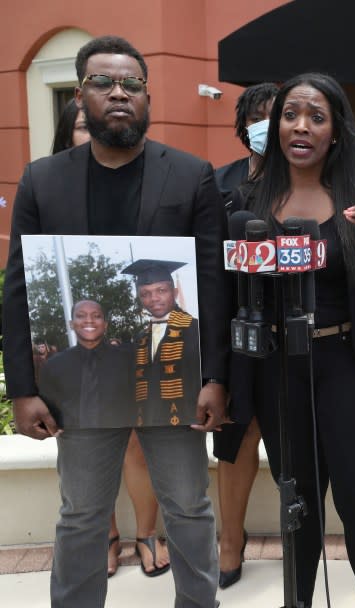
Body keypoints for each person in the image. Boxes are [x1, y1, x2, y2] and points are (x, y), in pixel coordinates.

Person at [2, 35, 229, 607]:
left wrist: (216, 377)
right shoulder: (42, 180)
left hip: (172, 381)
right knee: (81, 513)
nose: (119, 93)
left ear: (147, 97)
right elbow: (19, 289)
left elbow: (212, 282)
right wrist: (23, 390)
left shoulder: (190, 175)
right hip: (82, 388)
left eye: (131, 83)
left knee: (189, 506)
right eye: (103, 82)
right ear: (81, 96)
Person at [227, 73, 355, 607]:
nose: (301, 126)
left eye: (317, 116)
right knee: (295, 503)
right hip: (277, 371)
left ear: (335, 132)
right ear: (276, 124)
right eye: (290, 114)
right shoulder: (245, 203)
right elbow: (227, 300)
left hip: (345, 365)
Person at [50, 98, 172, 578]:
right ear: (68, 137)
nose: (95, 129)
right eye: (82, 125)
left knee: (137, 445)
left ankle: (146, 533)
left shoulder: (151, 185)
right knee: (83, 443)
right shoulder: (49, 188)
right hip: (80, 346)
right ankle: (106, 536)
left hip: (123, 340)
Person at [211, 81, 277, 589]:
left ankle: (302, 543)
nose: (270, 125)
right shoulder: (217, 183)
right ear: (243, 127)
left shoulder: (309, 183)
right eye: (261, 116)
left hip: (298, 335)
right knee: (237, 439)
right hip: (235, 333)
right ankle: (229, 543)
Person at [123, 259, 201, 428]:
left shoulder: (196, 331)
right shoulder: (140, 338)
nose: (154, 298)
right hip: (147, 423)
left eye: (161, 290)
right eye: (145, 294)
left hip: (187, 423)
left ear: (174, 292)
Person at [38, 300, 135, 429]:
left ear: (105, 324)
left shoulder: (128, 360)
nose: (89, 320)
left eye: (96, 316)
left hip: (123, 442)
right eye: (81, 316)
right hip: (73, 444)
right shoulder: (53, 366)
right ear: (71, 324)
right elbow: (47, 411)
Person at [214, 82, 278, 198]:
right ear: (245, 126)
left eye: (275, 117)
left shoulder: (305, 179)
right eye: (256, 119)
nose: (268, 125)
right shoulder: (220, 179)